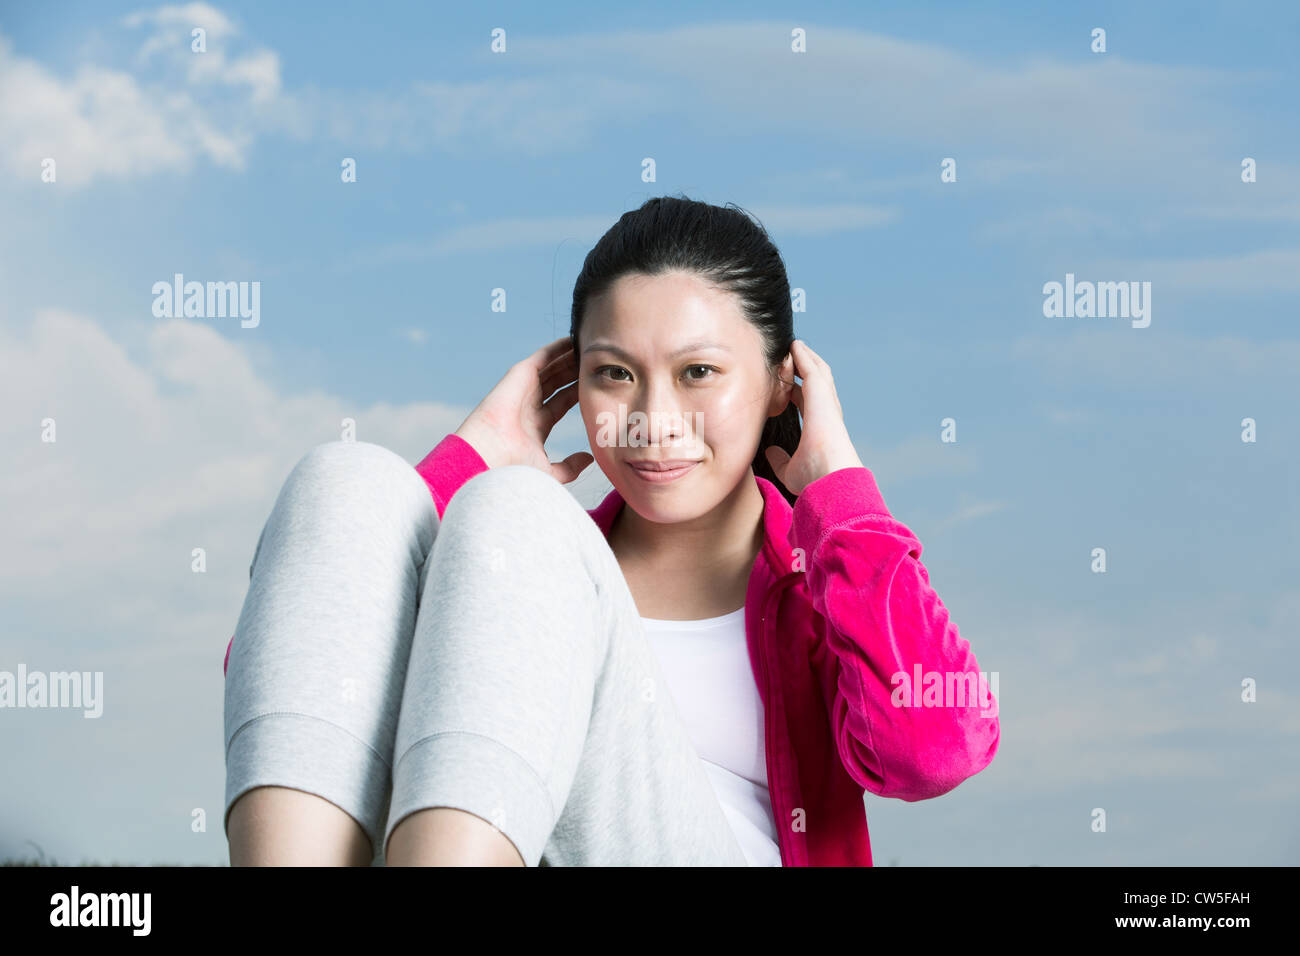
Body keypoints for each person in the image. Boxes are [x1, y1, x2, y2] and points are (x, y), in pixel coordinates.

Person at [222, 195, 999, 866]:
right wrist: (469, 460)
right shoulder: (530, 571)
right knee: (345, 479)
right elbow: (295, 680)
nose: (653, 423)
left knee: (521, 513)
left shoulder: (818, 577)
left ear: (779, 385)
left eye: (699, 372)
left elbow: (933, 748)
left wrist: (839, 492)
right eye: (614, 374)